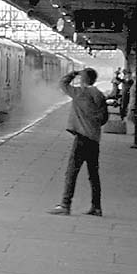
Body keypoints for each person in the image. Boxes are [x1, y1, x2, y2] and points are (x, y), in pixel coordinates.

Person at [48, 68, 109, 216]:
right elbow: (104, 118)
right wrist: (93, 125)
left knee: (71, 172)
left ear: (83, 79)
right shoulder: (99, 95)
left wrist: (73, 73)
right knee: (93, 174)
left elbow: (62, 84)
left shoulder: (80, 93)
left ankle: (65, 204)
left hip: (82, 139)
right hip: (94, 139)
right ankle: (96, 207)